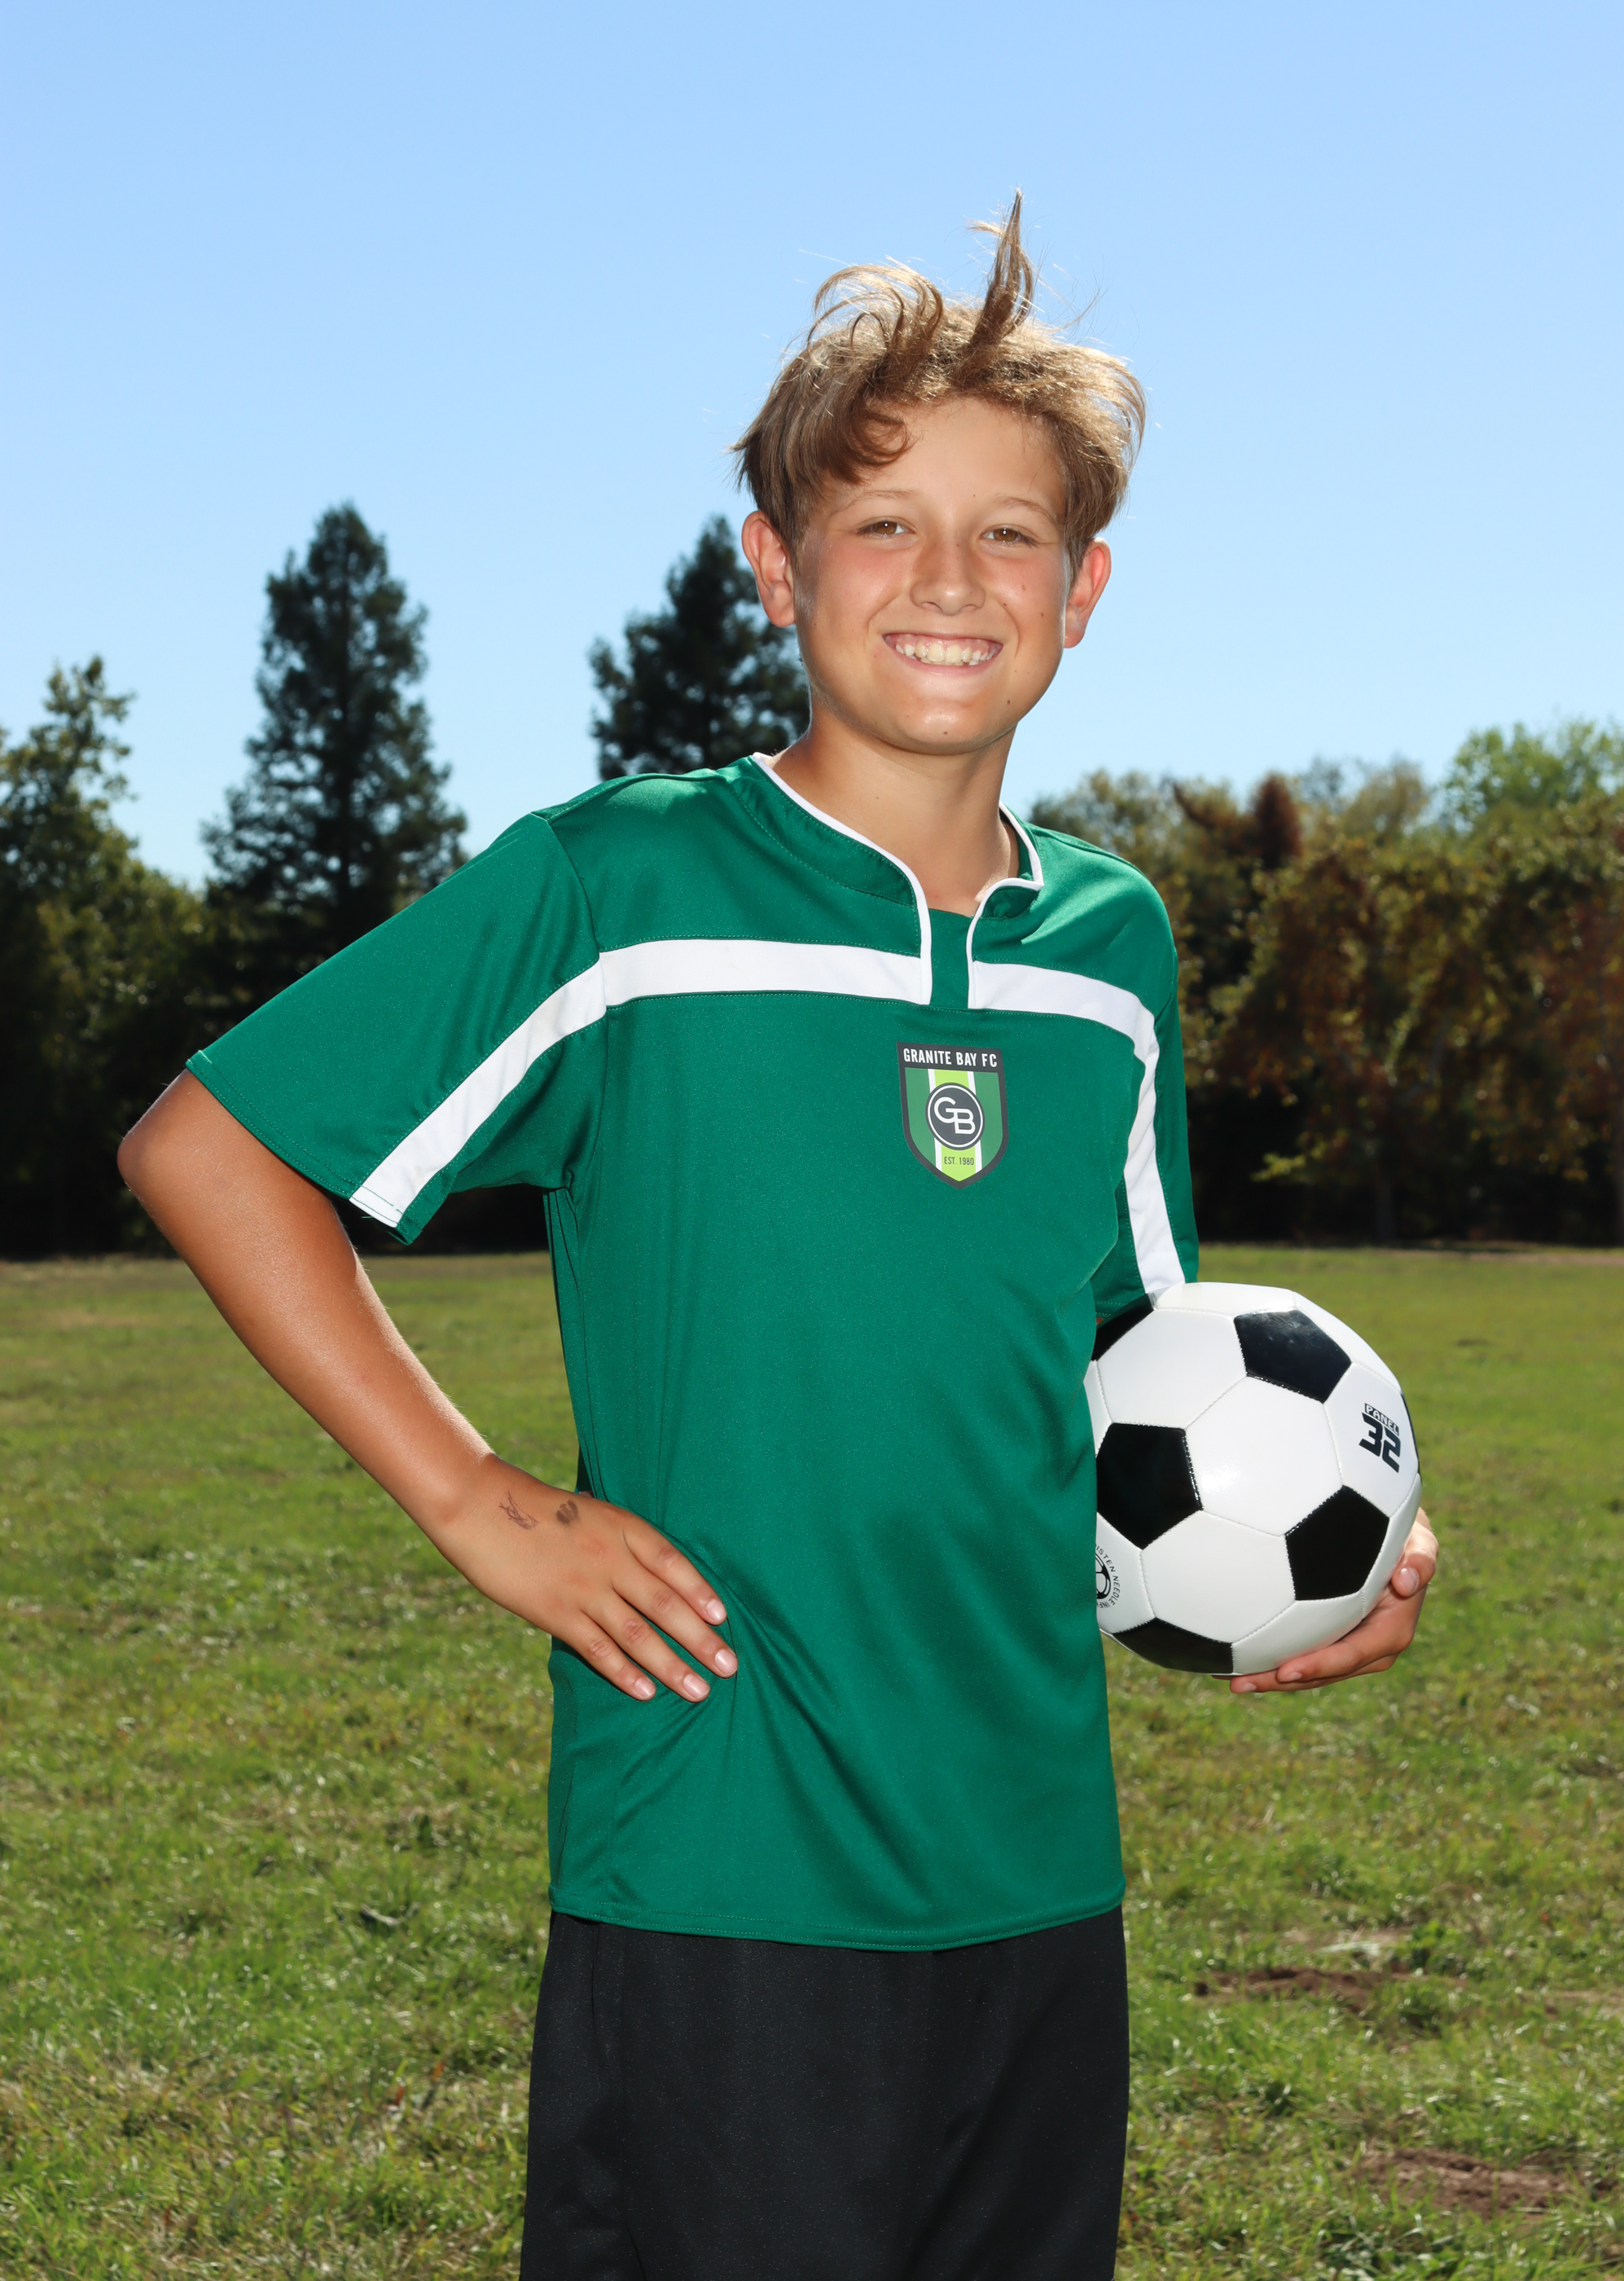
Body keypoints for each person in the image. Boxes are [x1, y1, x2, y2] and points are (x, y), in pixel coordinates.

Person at [119, 198, 1438, 2281]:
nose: (948, 579)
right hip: (722, 1870)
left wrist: (1316, 1550)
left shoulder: (1110, 948)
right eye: (882, 523)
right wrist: (476, 1498)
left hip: (1037, 1875)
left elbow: (1138, 1372)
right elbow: (210, 1148)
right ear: (775, 563)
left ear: (1084, 588)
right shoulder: (626, 892)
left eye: (1009, 533)